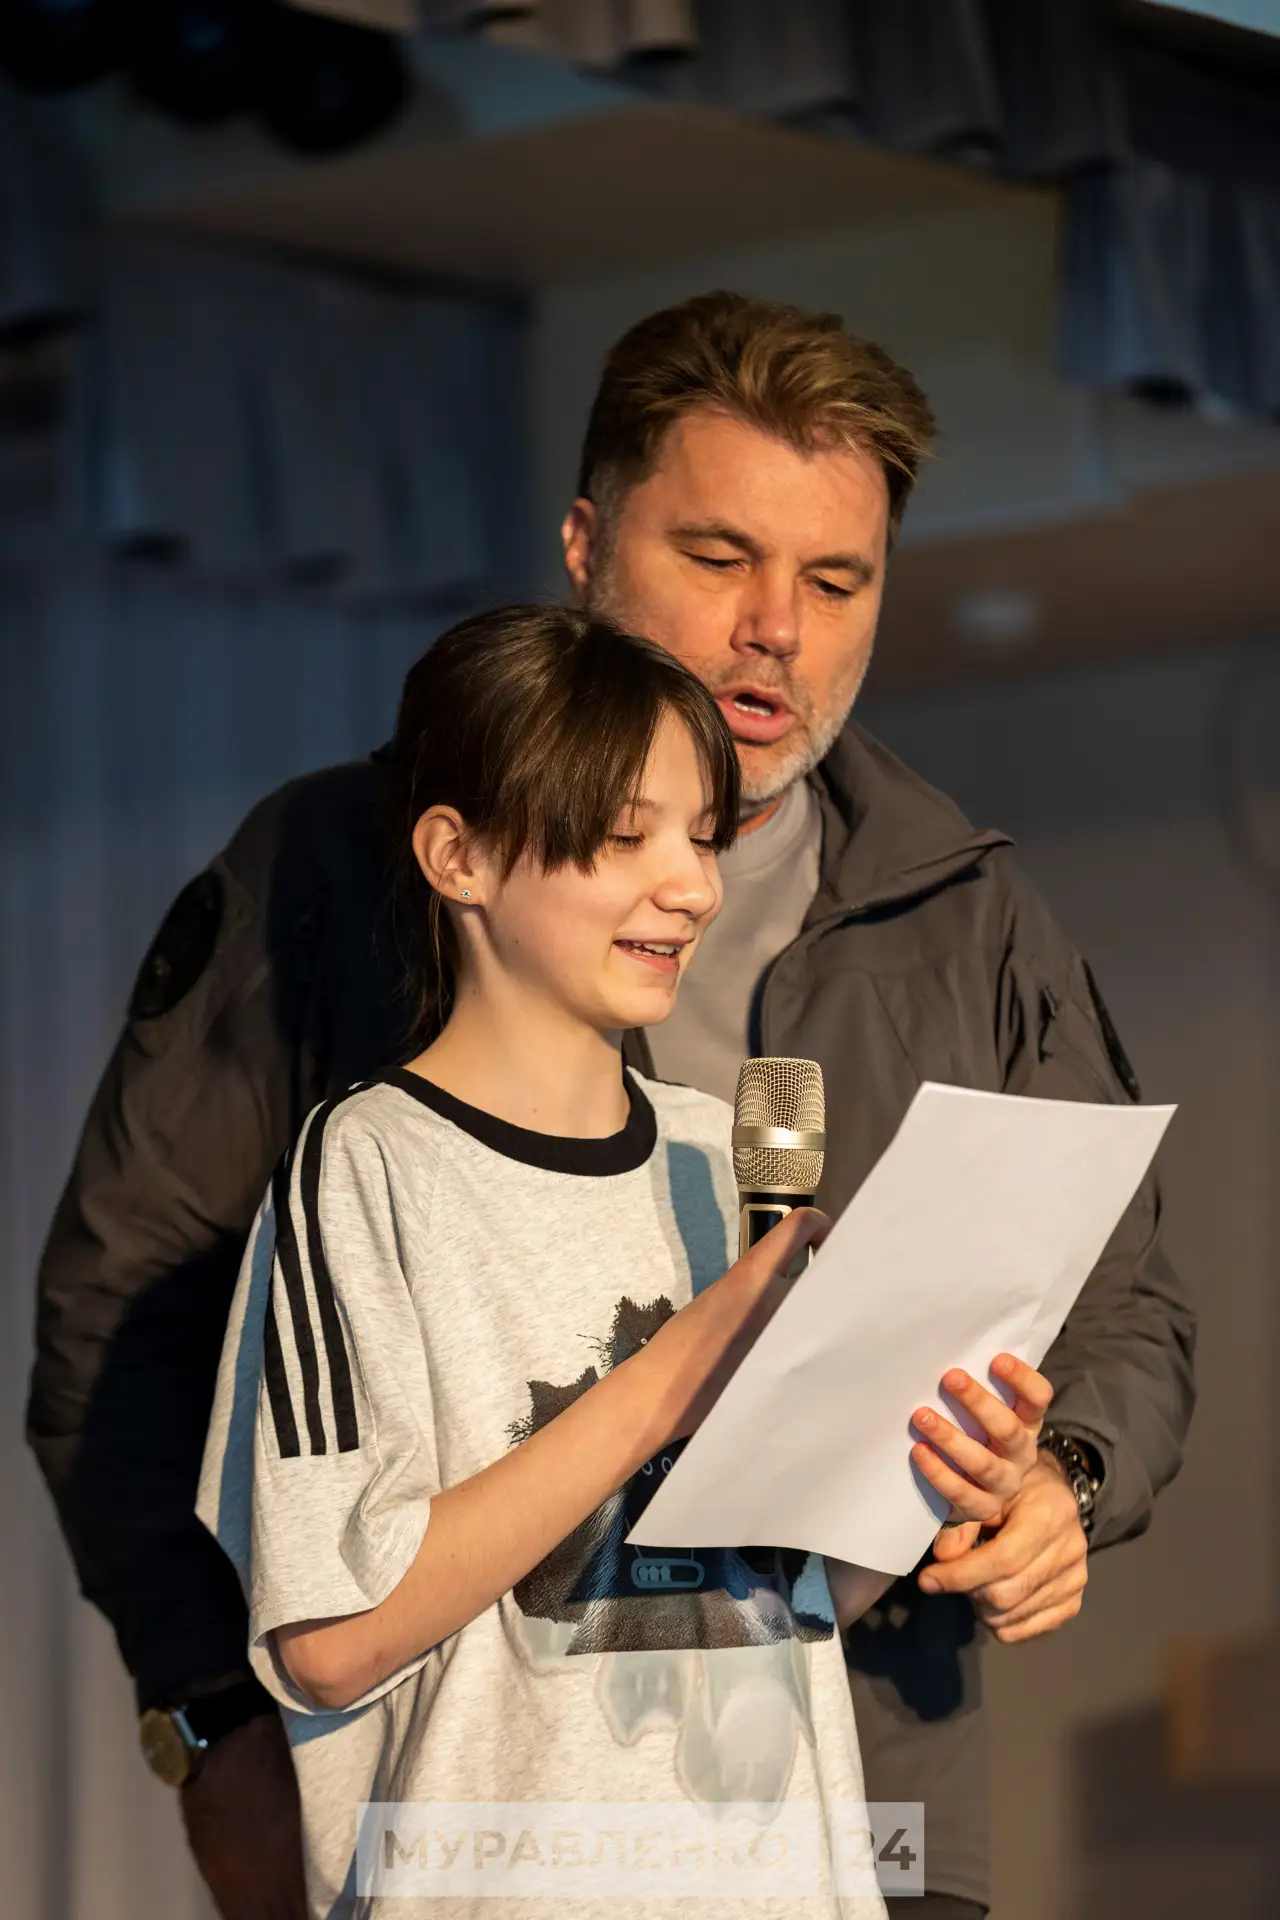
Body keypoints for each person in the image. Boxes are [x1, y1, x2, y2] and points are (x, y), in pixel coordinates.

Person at [28, 291, 1196, 1920]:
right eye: (718, 557)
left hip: (856, 1812)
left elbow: (1122, 1304)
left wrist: (1057, 1475)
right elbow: (122, 1325)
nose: (776, 626)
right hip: (479, 1830)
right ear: (586, 545)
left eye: (836, 579)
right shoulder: (338, 875)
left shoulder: (970, 911)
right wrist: (212, 1723)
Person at [195, 602, 1055, 1919]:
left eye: (703, 837)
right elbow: (329, 1638)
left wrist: (937, 1471)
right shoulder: (367, 1167)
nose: (692, 887)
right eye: (624, 836)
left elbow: (784, 1599)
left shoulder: (723, 1155)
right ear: (458, 854)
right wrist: (671, 1379)